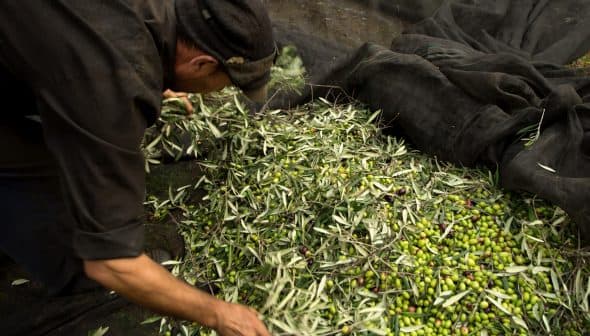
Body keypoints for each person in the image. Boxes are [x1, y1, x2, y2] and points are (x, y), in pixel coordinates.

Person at [0, 0, 275, 335]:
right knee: (52, 198)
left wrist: (155, 69)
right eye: (227, 83)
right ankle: (68, 271)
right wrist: (217, 313)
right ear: (201, 64)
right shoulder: (110, 87)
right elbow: (111, 262)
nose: (223, 91)